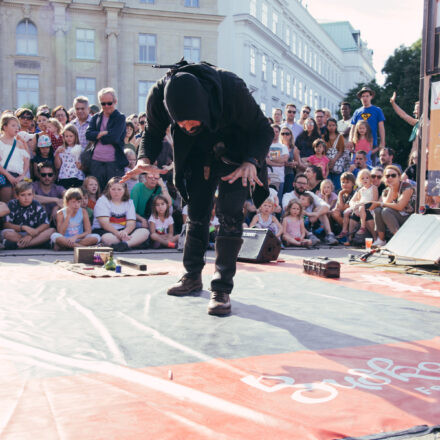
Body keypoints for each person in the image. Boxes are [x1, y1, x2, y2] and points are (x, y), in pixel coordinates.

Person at [122, 60, 273, 316]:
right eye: (180, 125)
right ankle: (192, 276)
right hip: (197, 154)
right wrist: (143, 160)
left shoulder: (231, 88)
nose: (186, 128)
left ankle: (221, 289)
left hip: (237, 153)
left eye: (191, 123)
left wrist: (251, 161)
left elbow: (263, 130)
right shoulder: (160, 95)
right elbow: (152, 132)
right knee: (196, 212)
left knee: (230, 215)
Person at [85, 87, 128, 190]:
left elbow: (113, 137)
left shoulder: (120, 117)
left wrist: (97, 136)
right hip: (96, 162)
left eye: (109, 103)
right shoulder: (96, 117)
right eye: (103, 104)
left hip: (114, 163)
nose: (106, 106)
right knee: (95, 194)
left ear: (115, 101)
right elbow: (88, 135)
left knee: (113, 194)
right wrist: (102, 133)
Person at [92, 176, 149, 251]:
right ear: (109, 190)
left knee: (145, 232)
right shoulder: (102, 201)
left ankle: (124, 245)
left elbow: (131, 223)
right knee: (106, 238)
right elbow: (104, 224)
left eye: (119, 189)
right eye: (113, 189)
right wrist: (118, 234)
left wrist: (125, 232)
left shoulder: (129, 202)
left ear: (124, 190)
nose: (116, 192)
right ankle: (132, 243)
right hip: (106, 230)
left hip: (124, 231)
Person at [282, 173, 338, 245]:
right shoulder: (288, 195)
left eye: (304, 183)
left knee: (320, 210)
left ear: (307, 185)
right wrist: (305, 213)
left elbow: (326, 206)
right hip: (295, 223)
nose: (302, 186)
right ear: (294, 184)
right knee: (295, 215)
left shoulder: (309, 194)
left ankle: (329, 235)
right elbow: (287, 209)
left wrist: (316, 214)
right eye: (299, 183)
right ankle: (309, 235)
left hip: (310, 221)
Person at [370, 165, 415, 247]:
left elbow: (400, 207)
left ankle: (399, 240)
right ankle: (381, 240)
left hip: (410, 218)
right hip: (397, 216)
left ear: (399, 177)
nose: (390, 178)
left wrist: (380, 203)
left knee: (386, 211)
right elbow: (384, 205)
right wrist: (391, 189)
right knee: (378, 210)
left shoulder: (407, 187)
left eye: (393, 175)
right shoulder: (386, 191)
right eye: (387, 176)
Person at [2, 181, 55, 250]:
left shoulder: (36, 204)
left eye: (29, 194)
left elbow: (46, 224)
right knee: (7, 234)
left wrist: (31, 235)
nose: (26, 198)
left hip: (34, 234)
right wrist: (23, 227)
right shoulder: (12, 204)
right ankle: (38, 244)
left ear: (33, 195)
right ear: (17, 196)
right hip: (18, 233)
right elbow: (6, 224)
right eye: (23, 195)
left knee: (52, 230)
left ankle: (20, 245)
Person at [338, 169, 378, 242]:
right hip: (361, 207)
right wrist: (355, 206)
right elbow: (352, 201)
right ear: (360, 180)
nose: (365, 180)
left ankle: (363, 228)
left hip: (370, 206)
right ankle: (349, 238)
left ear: (370, 179)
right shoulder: (360, 190)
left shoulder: (373, 188)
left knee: (361, 207)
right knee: (353, 214)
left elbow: (375, 200)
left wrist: (361, 205)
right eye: (362, 178)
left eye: (367, 178)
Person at [349, 86, 385, 163]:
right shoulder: (357, 111)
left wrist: (382, 142)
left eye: (367, 96)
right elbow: (353, 128)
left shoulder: (377, 110)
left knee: (371, 167)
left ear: (371, 97)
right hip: (357, 145)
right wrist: (350, 141)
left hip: (372, 144)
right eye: (363, 96)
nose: (365, 98)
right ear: (360, 98)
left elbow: (381, 128)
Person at [0, 113, 30, 203]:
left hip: (18, 176)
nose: (17, 128)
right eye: (13, 125)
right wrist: (9, 176)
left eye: (17, 126)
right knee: (6, 203)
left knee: (16, 203)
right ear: (4, 127)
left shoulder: (19, 144)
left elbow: (26, 161)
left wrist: (22, 176)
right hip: (4, 175)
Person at [54, 124, 84, 189]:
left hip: (77, 177)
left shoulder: (81, 149)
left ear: (76, 137)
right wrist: (57, 154)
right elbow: (57, 166)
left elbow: (84, 166)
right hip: (64, 177)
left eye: (71, 136)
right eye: (66, 136)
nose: (69, 138)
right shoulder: (61, 149)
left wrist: (81, 166)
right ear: (63, 137)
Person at [324, 117, 346, 190]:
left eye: (333, 125)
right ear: (327, 126)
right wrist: (328, 160)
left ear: (336, 126)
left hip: (337, 161)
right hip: (327, 162)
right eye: (329, 125)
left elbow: (341, 150)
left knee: (337, 184)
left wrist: (333, 160)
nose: (331, 127)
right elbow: (323, 150)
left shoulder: (340, 136)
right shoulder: (324, 137)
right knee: (328, 183)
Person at [266, 124, 289, 196]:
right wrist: (278, 164)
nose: (274, 133)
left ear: (279, 133)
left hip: (280, 178)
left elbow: (285, 159)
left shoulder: (283, 146)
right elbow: (265, 161)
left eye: (276, 131)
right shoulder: (266, 145)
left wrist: (270, 158)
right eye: (273, 131)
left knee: (278, 200)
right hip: (267, 177)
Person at [279, 126, 300, 195]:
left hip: (289, 173)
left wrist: (292, 163)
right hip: (278, 173)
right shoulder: (277, 146)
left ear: (291, 135)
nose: (285, 135)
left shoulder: (294, 148)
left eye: (287, 133)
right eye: (282, 133)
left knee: (287, 194)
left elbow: (298, 162)